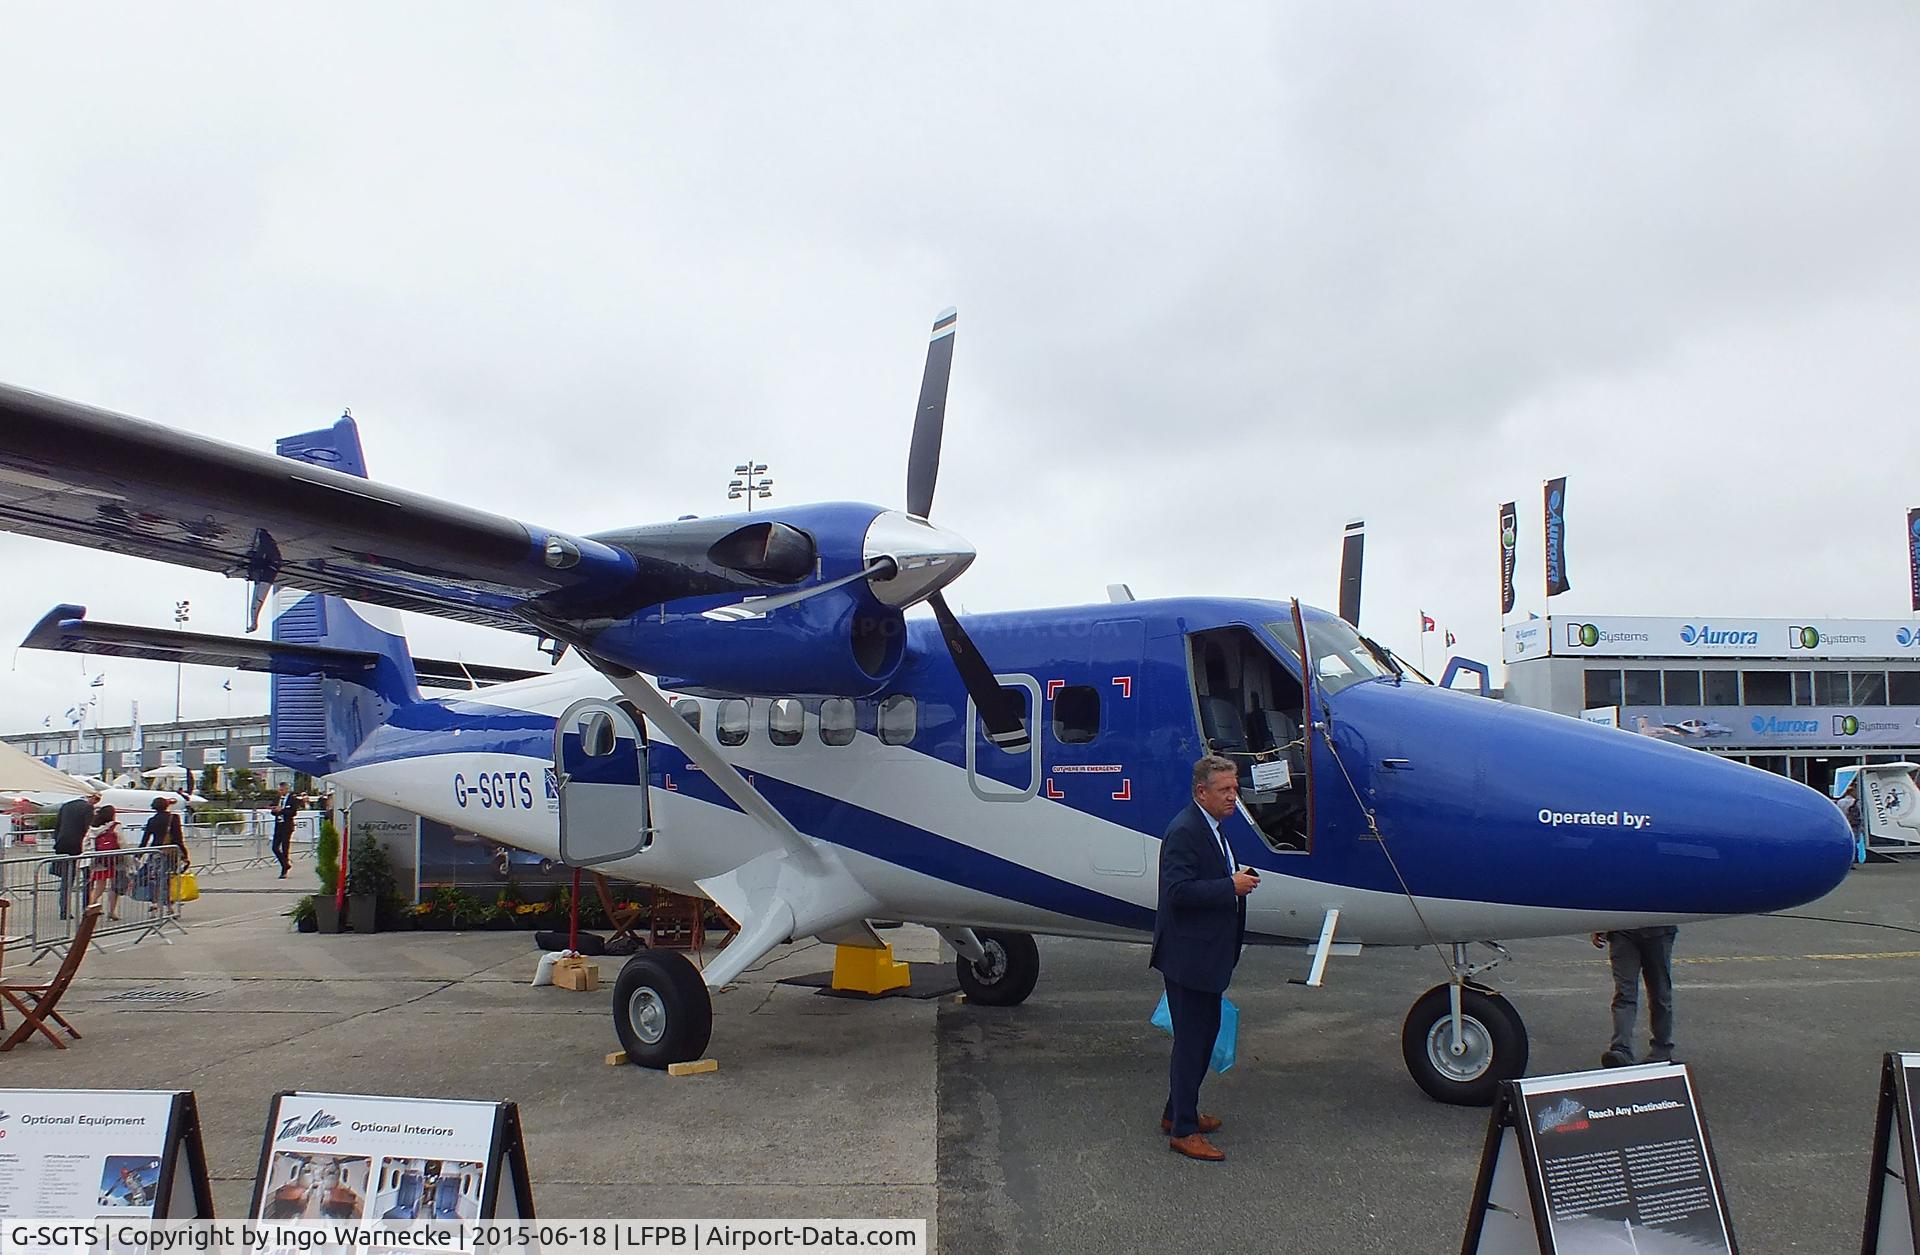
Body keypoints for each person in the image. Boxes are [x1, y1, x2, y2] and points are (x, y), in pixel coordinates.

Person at [1150, 754, 1259, 1162]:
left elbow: (1205, 878)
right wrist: (1229, 886)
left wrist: (1232, 879)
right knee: (1193, 1042)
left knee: (1200, 1038)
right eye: (1225, 790)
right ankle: (1183, 1130)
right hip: (1188, 958)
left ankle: (1176, 1111)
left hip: (1206, 956)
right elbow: (1176, 892)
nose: (1234, 796)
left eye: (1235, 788)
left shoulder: (1212, 827)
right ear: (1201, 792)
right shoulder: (1185, 830)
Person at [1592, 925, 1679, 1067]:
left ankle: (1662, 1047)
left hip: (1659, 930)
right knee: (1625, 993)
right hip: (1623, 932)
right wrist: (1601, 925)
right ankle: (1621, 1049)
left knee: (1659, 993)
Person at [51, 789, 101, 921]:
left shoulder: (66, 805)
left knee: (66, 880)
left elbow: (58, 826)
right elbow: (88, 828)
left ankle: (64, 910)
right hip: (80, 846)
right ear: (92, 798)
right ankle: (87, 907)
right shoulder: (87, 808)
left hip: (63, 844)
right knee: (87, 878)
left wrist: (57, 840)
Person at [141, 796, 189, 906]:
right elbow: (178, 838)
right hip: (171, 851)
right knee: (168, 877)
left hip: (155, 851)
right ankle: (169, 903)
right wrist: (184, 854)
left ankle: (154, 902)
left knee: (155, 877)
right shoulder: (174, 818)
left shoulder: (152, 820)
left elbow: (145, 839)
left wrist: (138, 854)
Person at [88, 804, 126, 920]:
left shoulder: (93, 828)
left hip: (100, 859)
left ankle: (91, 906)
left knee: (99, 885)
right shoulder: (115, 826)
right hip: (114, 859)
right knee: (114, 886)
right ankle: (112, 911)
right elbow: (122, 842)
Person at [270, 783, 299, 878]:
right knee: (275, 847)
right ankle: (285, 864)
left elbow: (293, 812)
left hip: (287, 826)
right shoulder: (277, 798)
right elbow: (272, 809)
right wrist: (274, 810)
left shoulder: (292, 799)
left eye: (282, 790)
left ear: (286, 789)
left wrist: (281, 810)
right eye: (279, 790)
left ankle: (284, 870)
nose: (280, 792)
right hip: (278, 825)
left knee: (285, 847)